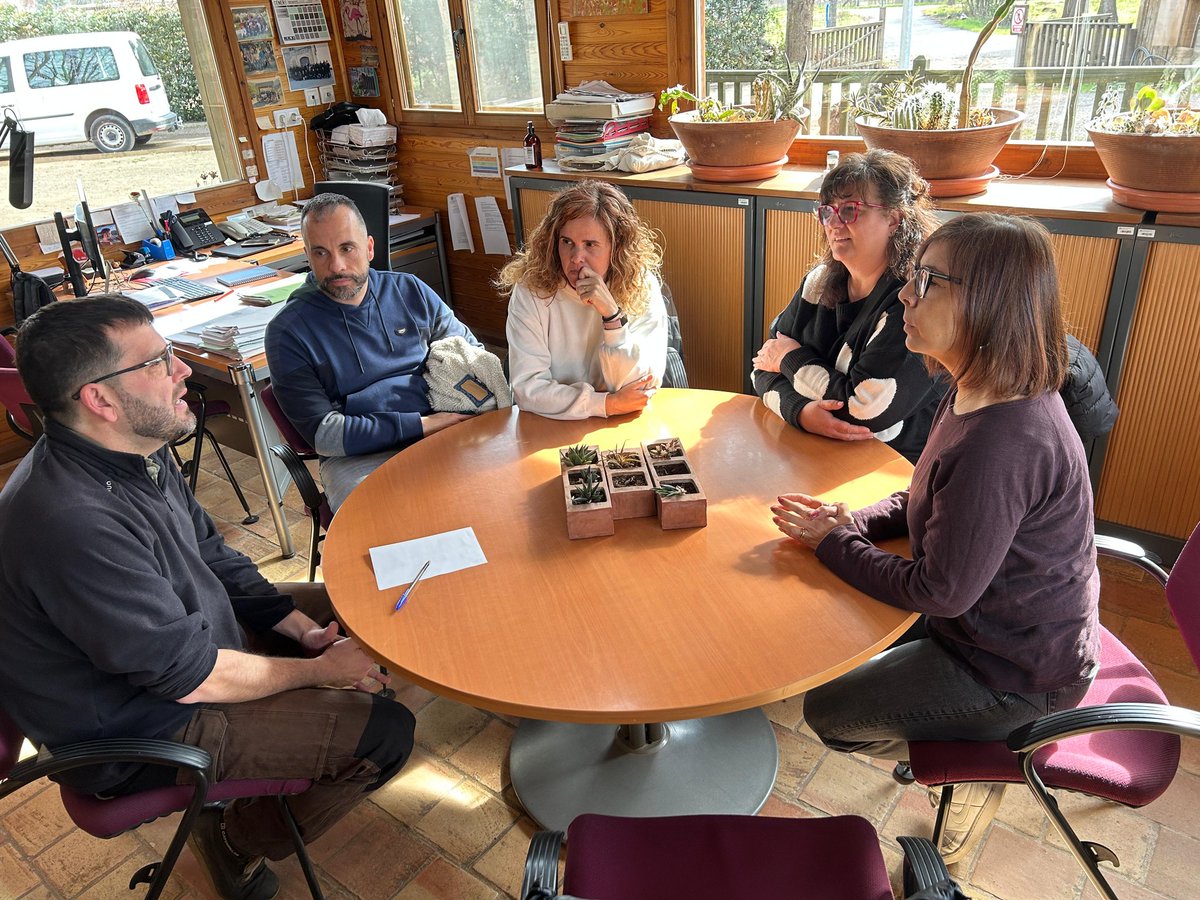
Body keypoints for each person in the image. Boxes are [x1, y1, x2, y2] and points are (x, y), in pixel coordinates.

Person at [0, 296, 416, 900]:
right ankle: (233, 844)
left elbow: (211, 555)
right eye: (160, 361)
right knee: (384, 734)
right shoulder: (69, 518)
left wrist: (300, 630)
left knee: (356, 602)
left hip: (184, 648)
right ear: (100, 398)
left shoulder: (134, 446)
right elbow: (188, 678)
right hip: (135, 727)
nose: (182, 371)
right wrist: (319, 670)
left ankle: (304, 690)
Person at [771, 214, 1101, 865]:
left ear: (987, 300)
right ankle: (952, 732)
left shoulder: (1003, 440)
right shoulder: (974, 387)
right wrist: (853, 523)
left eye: (926, 281)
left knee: (830, 713)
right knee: (822, 626)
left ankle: (982, 755)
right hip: (997, 625)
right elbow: (924, 494)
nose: (903, 294)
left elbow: (940, 591)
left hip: (1016, 669)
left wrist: (835, 543)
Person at [265, 193, 483, 510]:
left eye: (347, 248)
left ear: (369, 247)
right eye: (321, 252)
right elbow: (325, 435)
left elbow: (470, 357)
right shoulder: (288, 332)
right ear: (307, 257)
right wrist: (422, 424)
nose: (336, 265)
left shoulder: (411, 290)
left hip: (444, 427)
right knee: (393, 525)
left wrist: (454, 413)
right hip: (360, 457)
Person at [751, 150, 945, 464]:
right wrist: (800, 411)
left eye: (851, 210)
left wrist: (790, 358)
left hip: (892, 471)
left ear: (893, 219)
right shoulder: (819, 281)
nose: (835, 223)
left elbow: (862, 410)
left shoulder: (914, 301)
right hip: (814, 450)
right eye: (827, 212)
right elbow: (762, 366)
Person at [497, 180, 668, 419]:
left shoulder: (641, 284)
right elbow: (528, 389)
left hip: (625, 421)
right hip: (550, 423)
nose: (576, 258)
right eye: (567, 242)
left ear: (616, 248)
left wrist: (611, 317)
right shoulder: (531, 289)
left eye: (590, 245)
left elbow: (639, 388)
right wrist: (605, 404)